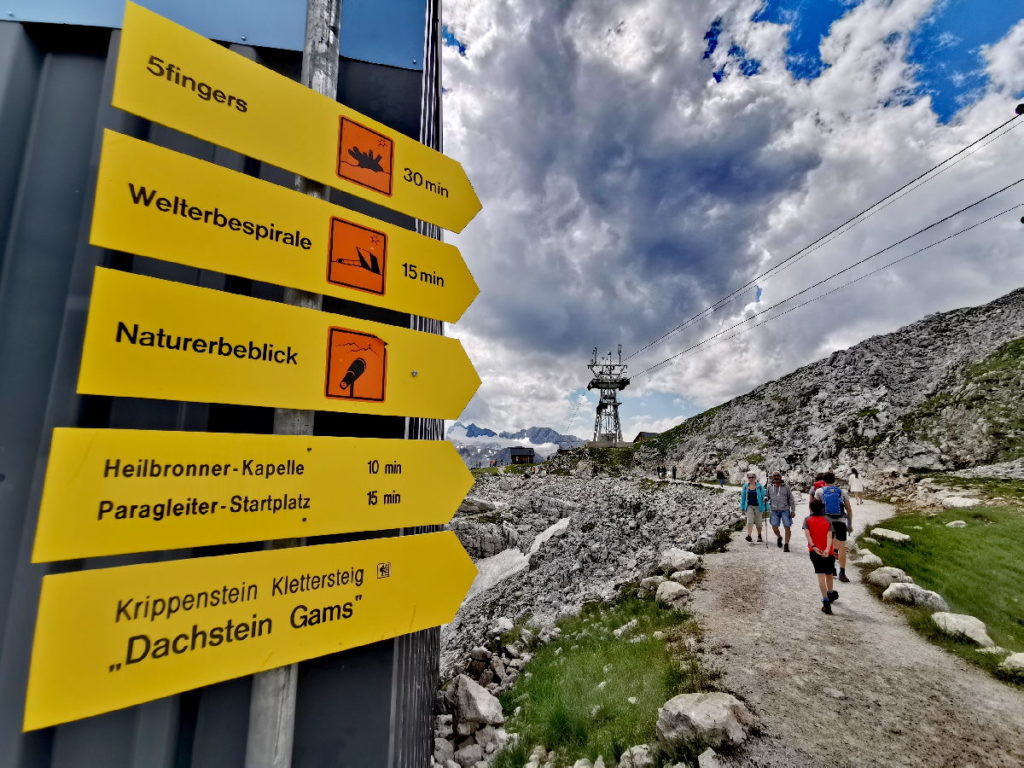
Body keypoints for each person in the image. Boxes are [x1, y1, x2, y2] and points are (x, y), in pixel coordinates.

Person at [814, 470, 854, 583]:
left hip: (826, 522)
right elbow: (849, 510)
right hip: (840, 522)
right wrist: (849, 525)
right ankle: (842, 572)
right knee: (842, 547)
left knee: (828, 546)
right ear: (834, 480)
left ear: (823, 481)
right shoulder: (841, 492)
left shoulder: (819, 491)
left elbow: (816, 509)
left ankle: (832, 568)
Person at [803, 498, 840, 614]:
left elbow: (808, 535)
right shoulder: (828, 520)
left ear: (810, 508)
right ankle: (830, 593)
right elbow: (830, 537)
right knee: (829, 574)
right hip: (827, 553)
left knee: (820, 576)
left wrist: (814, 546)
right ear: (822, 508)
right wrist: (828, 550)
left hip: (815, 552)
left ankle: (826, 603)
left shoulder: (807, 520)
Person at [766, 472, 796, 551]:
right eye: (774, 476)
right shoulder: (769, 486)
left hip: (785, 510)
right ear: (772, 477)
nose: (776, 477)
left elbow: (791, 499)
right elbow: (767, 496)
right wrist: (765, 498)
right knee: (774, 527)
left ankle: (786, 544)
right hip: (774, 510)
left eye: (778, 476)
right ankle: (779, 537)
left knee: (787, 527)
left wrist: (793, 510)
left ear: (780, 477)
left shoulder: (786, 487)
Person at [739, 471, 767, 543]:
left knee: (758, 522)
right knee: (749, 521)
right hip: (749, 506)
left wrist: (765, 501)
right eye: (749, 477)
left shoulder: (759, 486)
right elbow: (743, 497)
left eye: (752, 477)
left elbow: (764, 495)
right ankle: (749, 536)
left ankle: (759, 535)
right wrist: (742, 507)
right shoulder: (745, 486)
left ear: (755, 478)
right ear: (747, 478)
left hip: (758, 506)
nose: (751, 478)